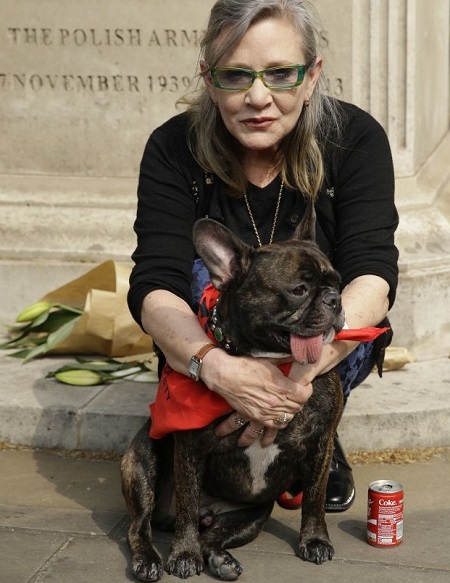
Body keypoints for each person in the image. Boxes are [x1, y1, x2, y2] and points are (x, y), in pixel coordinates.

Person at [127, 0, 399, 512]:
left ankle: (317, 435)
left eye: (280, 73)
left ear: (312, 74)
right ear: (209, 79)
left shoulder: (354, 140)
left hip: (321, 351)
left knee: (345, 302)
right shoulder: (173, 148)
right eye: (235, 75)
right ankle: (209, 435)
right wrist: (217, 369)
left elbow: (374, 273)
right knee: (192, 276)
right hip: (219, 345)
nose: (258, 97)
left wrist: (291, 392)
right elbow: (154, 283)